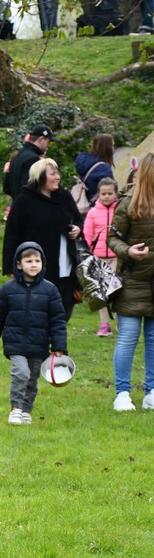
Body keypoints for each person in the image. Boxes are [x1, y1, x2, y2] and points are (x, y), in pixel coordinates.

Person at [0, 243, 68, 425]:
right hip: (15, 343)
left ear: (43, 264)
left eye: (37, 260)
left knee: (32, 379)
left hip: (39, 345)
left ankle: (26, 411)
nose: (33, 264)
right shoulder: (7, 289)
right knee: (21, 373)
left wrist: (59, 346)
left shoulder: (50, 290)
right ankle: (15, 409)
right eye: (28, 260)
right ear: (19, 264)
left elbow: (58, 321)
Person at [4, 158, 83, 322]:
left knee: (61, 317)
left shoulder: (64, 197)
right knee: (38, 318)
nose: (58, 177)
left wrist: (77, 228)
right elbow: (11, 235)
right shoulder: (24, 201)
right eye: (53, 173)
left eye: (58, 173)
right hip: (37, 269)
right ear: (40, 177)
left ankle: (57, 347)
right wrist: (11, 269)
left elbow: (77, 219)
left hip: (65, 268)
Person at [107, 152, 154, 411]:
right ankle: (122, 393)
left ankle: (151, 391)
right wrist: (128, 252)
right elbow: (112, 239)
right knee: (128, 337)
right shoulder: (128, 202)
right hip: (133, 280)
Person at [83, 177, 119, 336]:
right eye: (103, 193)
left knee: (116, 290)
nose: (106, 196)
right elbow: (87, 235)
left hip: (117, 256)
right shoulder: (92, 213)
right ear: (98, 194)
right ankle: (104, 323)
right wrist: (87, 253)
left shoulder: (120, 211)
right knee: (100, 292)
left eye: (110, 193)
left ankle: (120, 322)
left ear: (116, 194)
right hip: (98, 258)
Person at [4, 124, 53, 203]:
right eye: (48, 141)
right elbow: (29, 191)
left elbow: (7, 189)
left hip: (17, 208)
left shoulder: (16, 157)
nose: (49, 145)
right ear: (41, 139)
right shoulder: (33, 159)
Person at [74, 132, 116, 209]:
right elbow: (110, 192)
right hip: (98, 209)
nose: (114, 148)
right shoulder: (104, 169)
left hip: (83, 206)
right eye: (112, 145)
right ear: (107, 148)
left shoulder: (83, 161)